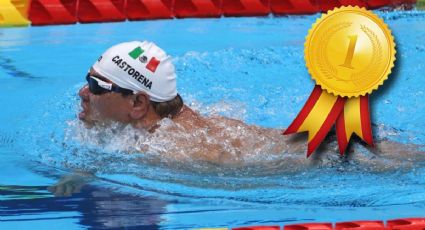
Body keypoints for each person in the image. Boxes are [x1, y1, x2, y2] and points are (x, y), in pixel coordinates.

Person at [78, 40, 424, 166]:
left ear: (138, 104)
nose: (84, 92)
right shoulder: (170, 119)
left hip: (326, 159)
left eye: (96, 84)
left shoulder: (168, 150)